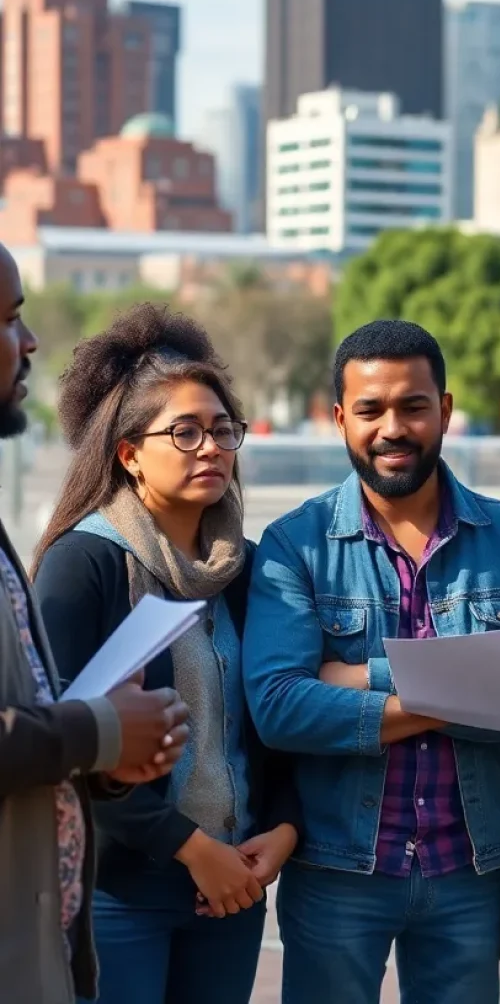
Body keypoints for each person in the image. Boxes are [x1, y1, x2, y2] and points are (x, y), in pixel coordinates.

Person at [243, 319, 500, 1004]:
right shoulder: (294, 544)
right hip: (336, 867)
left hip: (469, 868)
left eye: (413, 406)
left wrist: (358, 676)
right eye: (370, 409)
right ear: (339, 419)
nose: (393, 427)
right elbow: (278, 708)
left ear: (443, 410)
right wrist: (460, 687)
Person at [32, 305, 300, 1004]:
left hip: (234, 883)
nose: (210, 446)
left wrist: (283, 832)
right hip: (121, 888)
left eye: (222, 430)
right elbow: (62, 742)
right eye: (184, 432)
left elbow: (280, 711)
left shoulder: (250, 569)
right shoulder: (84, 565)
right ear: (128, 453)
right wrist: (189, 847)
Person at [0, 247, 191, 1004]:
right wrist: (101, 733)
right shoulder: (86, 559)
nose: (30, 343)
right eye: (10, 320)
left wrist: (107, 765)